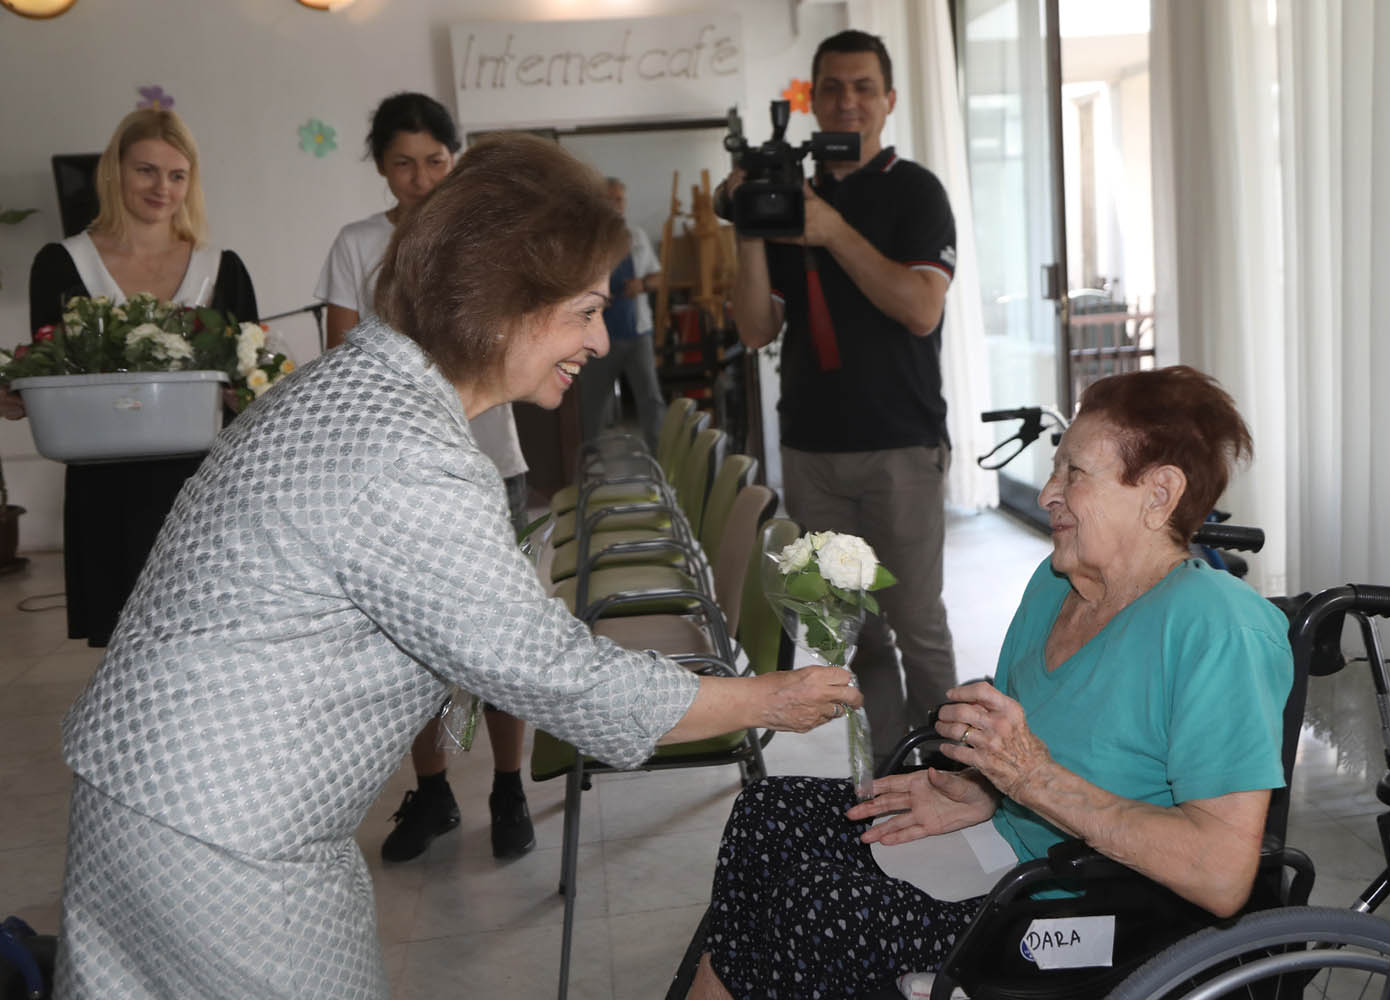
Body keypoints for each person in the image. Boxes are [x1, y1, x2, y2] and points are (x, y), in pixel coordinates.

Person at [52, 134, 860, 1000]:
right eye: (584, 310)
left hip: (143, 794)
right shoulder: (406, 450)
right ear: (508, 302)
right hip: (223, 836)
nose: (597, 339)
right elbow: (549, 672)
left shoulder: (356, 387)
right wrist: (767, 697)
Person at [685, 367, 1293, 999]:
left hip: (1089, 911)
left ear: (1159, 493)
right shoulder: (1054, 584)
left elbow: (1220, 876)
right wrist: (985, 788)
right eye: (1055, 470)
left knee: (821, 910)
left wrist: (1029, 779)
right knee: (767, 815)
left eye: (1074, 474)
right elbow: (1048, 748)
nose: (1049, 492)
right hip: (1010, 846)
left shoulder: (1219, 631)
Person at [720, 29, 959, 762]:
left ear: (888, 101)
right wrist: (751, 228)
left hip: (901, 445)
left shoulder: (915, 191)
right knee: (854, 631)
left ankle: (956, 773)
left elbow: (920, 307)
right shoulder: (795, 194)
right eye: (831, 88)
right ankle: (890, 768)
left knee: (916, 624)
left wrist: (831, 231)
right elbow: (758, 326)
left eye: (862, 87)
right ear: (811, 100)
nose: (846, 100)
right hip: (813, 450)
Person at [313, 92, 538, 863]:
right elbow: (342, 360)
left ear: (456, 158)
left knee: (505, 635)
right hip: (392, 472)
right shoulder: (356, 243)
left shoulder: (489, 239)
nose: (419, 178)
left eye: (434, 161)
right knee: (407, 640)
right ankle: (435, 790)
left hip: (486, 462)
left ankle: (510, 787)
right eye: (402, 163)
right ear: (381, 168)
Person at [7, 108, 258, 647]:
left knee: (208, 645)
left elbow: (249, 381)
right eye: (145, 170)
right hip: (107, 489)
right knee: (125, 651)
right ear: (113, 172)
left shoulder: (222, 267)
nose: (161, 187)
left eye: (176, 175)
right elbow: (53, 366)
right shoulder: (62, 263)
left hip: (203, 489)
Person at [575, 176, 666, 453]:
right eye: (609, 199)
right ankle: (590, 468)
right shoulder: (586, 241)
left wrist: (643, 284)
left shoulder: (636, 236)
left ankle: (662, 464)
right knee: (591, 405)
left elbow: (658, 278)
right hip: (597, 336)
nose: (616, 205)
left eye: (619, 199)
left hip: (637, 333)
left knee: (651, 399)